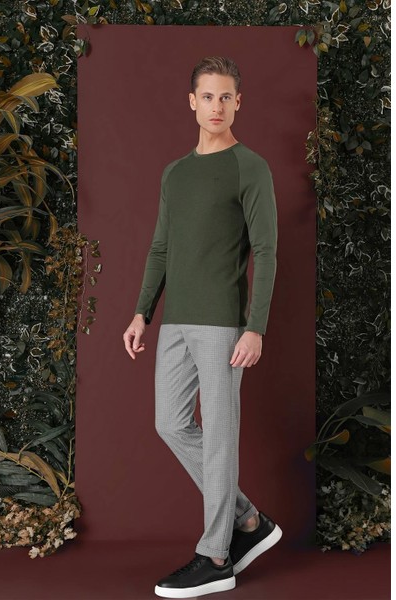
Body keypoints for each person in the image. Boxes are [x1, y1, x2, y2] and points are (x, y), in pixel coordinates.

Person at [123, 56, 282, 598]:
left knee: (218, 437)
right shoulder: (175, 173)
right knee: (170, 423)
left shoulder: (249, 167)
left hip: (222, 325)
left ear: (239, 103)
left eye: (226, 97)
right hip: (175, 322)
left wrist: (255, 326)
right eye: (208, 96)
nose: (217, 106)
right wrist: (142, 311)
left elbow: (266, 250)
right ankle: (248, 520)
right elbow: (161, 247)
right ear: (192, 102)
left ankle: (216, 556)